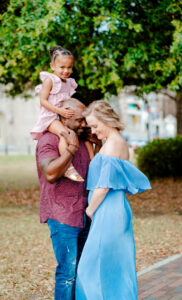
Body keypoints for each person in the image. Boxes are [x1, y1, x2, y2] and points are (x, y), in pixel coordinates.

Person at [75, 100, 151, 300]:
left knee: (90, 267)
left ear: (107, 120)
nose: (93, 129)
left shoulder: (112, 145)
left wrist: (90, 209)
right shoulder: (116, 142)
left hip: (107, 211)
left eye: (95, 125)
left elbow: (104, 186)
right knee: (114, 267)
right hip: (115, 209)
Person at [36, 98, 100, 300]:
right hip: (62, 216)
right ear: (65, 116)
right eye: (80, 120)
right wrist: (70, 149)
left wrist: (97, 146)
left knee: (83, 269)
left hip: (85, 215)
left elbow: (94, 174)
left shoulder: (83, 141)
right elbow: (51, 174)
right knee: (67, 274)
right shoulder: (48, 141)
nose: (84, 124)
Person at [31, 46, 94, 182]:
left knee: (85, 137)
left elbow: (68, 102)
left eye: (69, 67)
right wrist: (59, 111)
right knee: (64, 134)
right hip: (50, 118)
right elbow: (43, 100)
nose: (66, 71)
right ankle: (68, 167)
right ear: (52, 66)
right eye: (62, 67)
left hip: (61, 116)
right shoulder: (50, 80)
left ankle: (93, 163)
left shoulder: (68, 83)